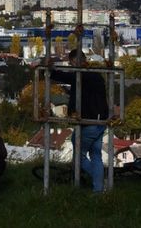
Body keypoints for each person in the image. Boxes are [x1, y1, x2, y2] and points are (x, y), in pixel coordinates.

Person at [49, 48, 109, 192]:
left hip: (88, 121)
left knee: (79, 156)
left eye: (71, 64)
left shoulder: (82, 76)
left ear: (76, 61)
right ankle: (98, 190)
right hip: (101, 121)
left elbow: (66, 77)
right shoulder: (96, 76)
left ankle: (99, 180)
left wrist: (50, 70)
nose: (71, 67)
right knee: (96, 155)